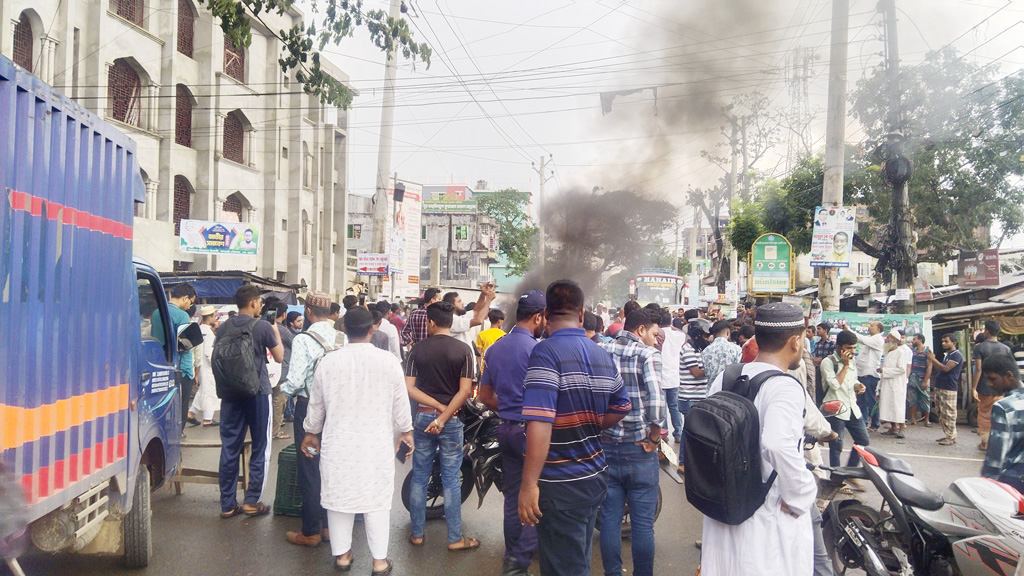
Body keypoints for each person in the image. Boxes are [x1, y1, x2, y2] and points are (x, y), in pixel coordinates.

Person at [518, 280, 631, 576]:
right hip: (593, 478)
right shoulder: (601, 354)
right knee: (577, 559)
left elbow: (540, 423)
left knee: (564, 567)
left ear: (545, 314)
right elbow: (622, 405)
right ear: (581, 314)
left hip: (560, 485)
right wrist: (589, 424)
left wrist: (529, 485)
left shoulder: (545, 353)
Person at [700, 303, 818, 576]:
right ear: (795, 341)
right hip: (766, 519)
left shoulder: (726, 377)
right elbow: (777, 444)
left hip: (724, 509)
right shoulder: (784, 386)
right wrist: (801, 494)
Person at [300, 306, 414, 574]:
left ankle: (342, 556)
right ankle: (379, 561)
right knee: (377, 500)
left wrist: (311, 432)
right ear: (372, 328)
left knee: (339, 498)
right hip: (376, 444)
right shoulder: (388, 362)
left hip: (338, 443)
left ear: (343, 329)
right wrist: (406, 431)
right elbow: (401, 404)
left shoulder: (328, 362)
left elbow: (316, 405)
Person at [477, 290, 546, 576]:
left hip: (505, 429)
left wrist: (508, 408)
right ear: (538, 317)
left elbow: (483, 395)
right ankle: (518, 560)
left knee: (513, 496)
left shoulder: (495, 348)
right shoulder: (539, 350)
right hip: (531, 433)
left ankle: (512, 554)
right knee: (536, 493)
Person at [404, 302, 479, 552]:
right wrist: (444, 416)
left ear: (431, 322)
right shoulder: (464, 350)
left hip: (423, 418)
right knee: (451, 480)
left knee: (419, 477)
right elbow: (465, 391)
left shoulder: (417, 350)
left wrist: (435, 409)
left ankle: (417, 534)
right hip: (452, 421)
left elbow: (409, 388)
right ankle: (455, 539)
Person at [597, 309, 665, 576]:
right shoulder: (648, 355)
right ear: (640, 330)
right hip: (639, 449)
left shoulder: (601, 350)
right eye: (654, 334)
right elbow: (656, 404)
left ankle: (613, 573)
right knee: (643, 526)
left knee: (609, 521)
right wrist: (654, 438)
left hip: (606, 445)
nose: (655, 339)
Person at [216, 285, 283, 518]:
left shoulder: (223, 327)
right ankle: (252, 500)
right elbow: (279, 356)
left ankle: (227, 504)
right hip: (258, 392)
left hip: (230, 393)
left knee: (229, 447)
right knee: (260, 446)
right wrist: (274, 329)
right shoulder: (262, 326)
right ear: (254, 302)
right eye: (260, 303)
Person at [281, 291, 338, 548]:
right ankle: (329, 528)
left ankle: (311, 531)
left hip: (309, 411)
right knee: (331, 466)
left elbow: (294, 381)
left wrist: (282, 392)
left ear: (308, 311)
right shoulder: (342, 337)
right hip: (337, 411)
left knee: (310, 466)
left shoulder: (303, 339)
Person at [821, 330, 871, 467]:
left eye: (854, 348)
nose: (852, 351)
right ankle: (836, 477)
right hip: (835, 407)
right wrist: (845, 366)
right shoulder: (828, 362)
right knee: (836, 446)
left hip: (851, 407)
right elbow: (834, 385)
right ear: (838, 347)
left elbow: (852, 380)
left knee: (863, 440)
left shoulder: (852, 360)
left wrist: (858, 385)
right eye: (848, 348)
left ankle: (850, 470)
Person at [152, 282, 197, 429]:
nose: (190, 306)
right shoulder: (182, 315)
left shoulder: (156, 313)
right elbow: (185, 344)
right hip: (181, 369)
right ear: (185, 298)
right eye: (191, 302)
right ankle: (179, 433)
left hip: (161, 364)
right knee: (181, 406)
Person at [979, 354, 1024, 491]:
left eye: (992, 379)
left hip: (1012, 482)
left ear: (1008, 376)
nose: (989, 384)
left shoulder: (1003, 407)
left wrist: (986, 485)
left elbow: (996, 456)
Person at [678, 319, 711, 474]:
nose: (707, 339)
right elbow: (696, 373)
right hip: (689, 397)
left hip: (699, 396)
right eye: (705, 336)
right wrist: (713, 369)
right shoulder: (688, 350)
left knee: (698, 431)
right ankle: (683, 463)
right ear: (697, 335)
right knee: (689, 431)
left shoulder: (698, 349)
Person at [973, 320, 1012, 451]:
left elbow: (978, 369)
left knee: (984, 414)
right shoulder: (1006, 349)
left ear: (987, 331)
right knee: (997, 414)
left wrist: (973, 388)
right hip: (1001, 387)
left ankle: (986, 442)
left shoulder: (980, 347)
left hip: (985, 386)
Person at [928, 334, 965, 446]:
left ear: (953, 343)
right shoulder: (948, 355)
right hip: (941, 386)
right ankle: (949, 435)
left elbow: (946, 368)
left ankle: (950, 436)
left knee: (949, 413)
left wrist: (933, 359)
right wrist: (933, 361)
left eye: (946, 341)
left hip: (949, 387)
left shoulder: (956, 355)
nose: (943, 343)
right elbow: (940, 368)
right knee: (941, 412)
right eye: (942, 341)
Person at [187, 306, 220, 427]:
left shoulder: (200, 329)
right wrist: (216, 366)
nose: (215, 318)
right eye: (214, 316)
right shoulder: (209, 333)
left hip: (200, 365)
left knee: (204, 390)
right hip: (208, 367)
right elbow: (208, 353)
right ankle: (207, 418)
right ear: (210, 317)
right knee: (210, 391)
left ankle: (191, 412)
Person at [658, 310, 686, 444]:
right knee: (674, 407)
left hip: (661, 377)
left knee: (662, 408)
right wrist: (672, 327)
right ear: (670, 321)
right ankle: (678, 433)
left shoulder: (657, 334)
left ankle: (664, 434)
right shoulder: (678, 335)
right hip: (674, 377)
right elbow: (682, 333)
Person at [854, 321, 885, 431]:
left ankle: (875, 424)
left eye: (872, 326)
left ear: (878, 329)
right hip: (862, 374)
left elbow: (862, 339)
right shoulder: (870, 339)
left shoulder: (878, 339)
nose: (869, 327)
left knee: (870, 400)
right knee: (862, 401)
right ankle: (864, 423)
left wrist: (849, 330)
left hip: (870, 375)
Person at [879, 329, 910, 438]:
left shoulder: (901, 353)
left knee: (897, 407)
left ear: (895, 340)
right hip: (887, 383)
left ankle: (901, 429)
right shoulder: (888, 352)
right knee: (889, 406)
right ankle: (893, 428)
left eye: (889, 337)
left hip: (897, 384)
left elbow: (902, 369)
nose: (887, 339)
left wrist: (884, 371)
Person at [270, 301, 294, 440]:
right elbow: (294, 345)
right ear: (284, 314)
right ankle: (275, 431)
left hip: (268, 370)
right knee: (279, 402)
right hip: (282, 370)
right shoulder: (283, 331)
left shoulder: (264, 327)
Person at [702, 319, 742, 387]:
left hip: (711, 389)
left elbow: (705, 372)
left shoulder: (706, 350)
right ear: (728, 332)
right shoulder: (736, 349)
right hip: (729, 389)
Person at [908, 334, 933, 428]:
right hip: (913, 377)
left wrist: (925, 381)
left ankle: (927, 420)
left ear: (920, 340)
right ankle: (913, 418)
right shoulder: (913, 351)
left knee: (925, 399)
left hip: (922, 378)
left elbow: (929, 367)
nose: (913, 341)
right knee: (912, 399)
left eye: (914, 339)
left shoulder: (927, 351)